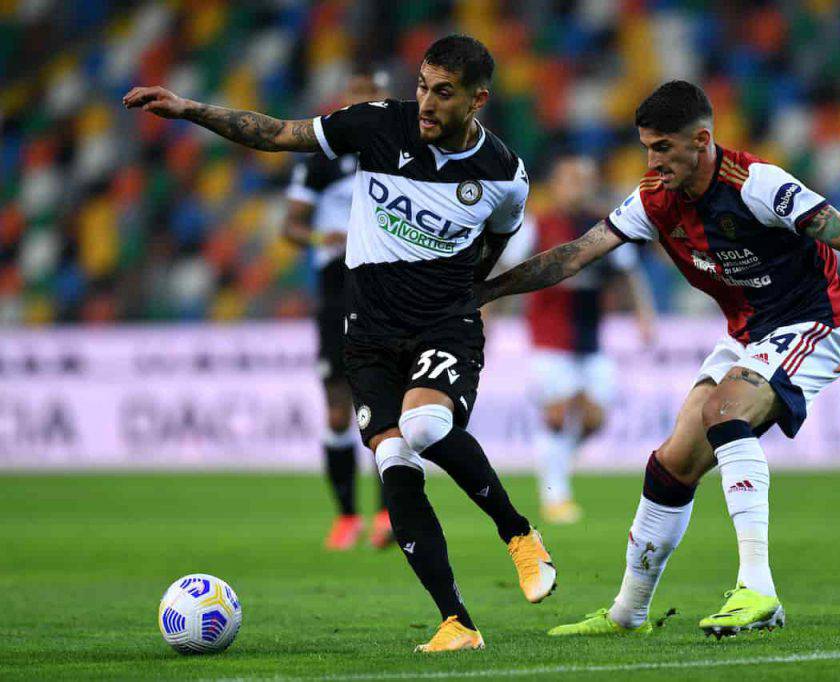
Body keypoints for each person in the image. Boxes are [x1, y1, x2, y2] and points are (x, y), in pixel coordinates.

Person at [124, 34, 556, 653]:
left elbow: (492, 248)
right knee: (394, 461)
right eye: (422, 87)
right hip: (368, 334)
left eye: (444, 93)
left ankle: (518, 535)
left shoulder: (503, 176)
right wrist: (192, 109)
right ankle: (457, 623)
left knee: (428, 427)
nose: (427, 104)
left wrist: (461, 298)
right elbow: (275, 133)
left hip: (443, 326)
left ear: (478, 100)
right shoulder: (377, 126)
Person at [477, 80, 840, 638]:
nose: (652, 161)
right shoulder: (652, 199)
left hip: (813, 321)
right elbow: (574, 257)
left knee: (724, 412)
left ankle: (758, 589)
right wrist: (482, 293)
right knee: (671, 464)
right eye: (646, 147)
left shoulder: (758, 185)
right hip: (747, 334)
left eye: (663, 147)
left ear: (702, 140)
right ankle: (628, 613)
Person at [505, 155, 655, 524]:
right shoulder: (537, 225)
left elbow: (628, 273)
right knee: (558, 413)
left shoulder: (605, 226)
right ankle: (555, 495)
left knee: (594, 419)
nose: (578, 187)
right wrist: (487, 312)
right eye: (571, 179)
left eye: (584, 180)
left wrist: (643, 316)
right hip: (548, 336)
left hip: (590, 337)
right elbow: (507, 270)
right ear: (555, 185)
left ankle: (554, 462)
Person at [283, 67, 392, 551]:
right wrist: (319, 237)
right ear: (346, 98)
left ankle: (390, 514)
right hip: (334, 284)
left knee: (384, 403)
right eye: (358, 93)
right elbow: (290, 228)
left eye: (373, 93)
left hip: (384, 283)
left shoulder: (397, 153)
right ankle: (347, 515)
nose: (365, 100)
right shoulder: (320, 158)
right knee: (336, 408)